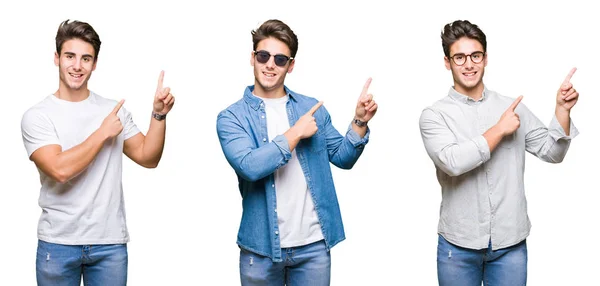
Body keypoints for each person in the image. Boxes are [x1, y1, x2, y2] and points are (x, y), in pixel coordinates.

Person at [216, 19, 378, 285]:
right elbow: (249, 166)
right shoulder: (232, 117)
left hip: (313, 247)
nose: (270, 64)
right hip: (260, 248)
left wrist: (359, 122)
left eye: (280, 59)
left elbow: (343, 157)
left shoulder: (311, 107)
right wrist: (295, 134)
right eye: (263, 56)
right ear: (252, 58)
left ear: (290, 66)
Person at [419, 19, 579, 285]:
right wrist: (499, 130)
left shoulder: (511, 107)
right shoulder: (434, 115)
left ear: (485, 58)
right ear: (447, 62)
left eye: (475, 55)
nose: (468, 64)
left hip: (510, 245)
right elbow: (453, 162)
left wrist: (562, 110)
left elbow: (553, 152)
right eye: (459, 57)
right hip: (458, 247)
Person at [20, 19, 175, 286]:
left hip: (109, 244)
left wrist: (158, 115)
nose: (77, 66)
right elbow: (59, 169)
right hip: (58, 243)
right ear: (57, 58)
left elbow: (148, 157)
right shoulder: (37, 116)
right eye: (70, 56)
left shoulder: (113, 110)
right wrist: (102, 133)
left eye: (86, 58)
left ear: (95, 63)